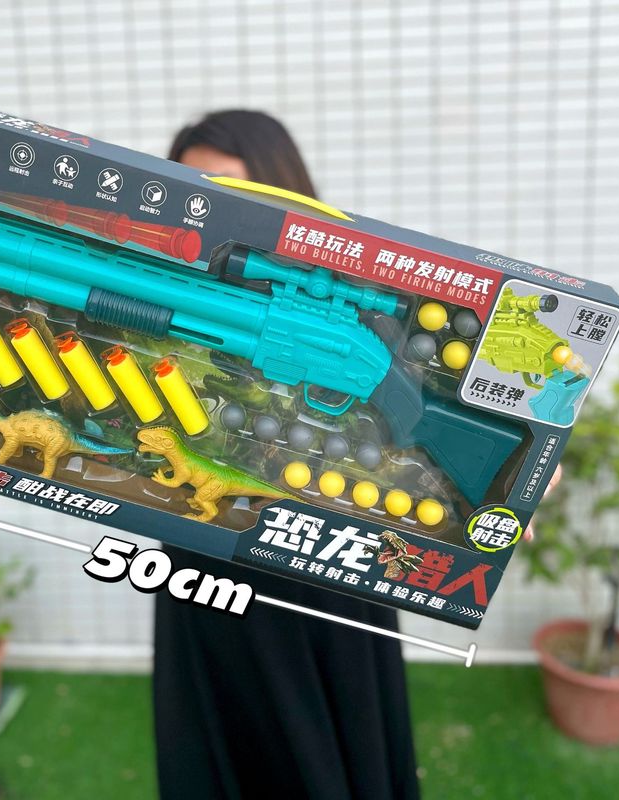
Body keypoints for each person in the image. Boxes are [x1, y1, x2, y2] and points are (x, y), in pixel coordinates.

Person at [153, 109, 420, 800]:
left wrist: (509, 495)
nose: (211, 212)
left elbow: (444, 423)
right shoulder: (179, 292)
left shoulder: (371, 318)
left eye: (233, 192)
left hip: (326, 566)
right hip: (206, 551)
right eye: (194, 193)